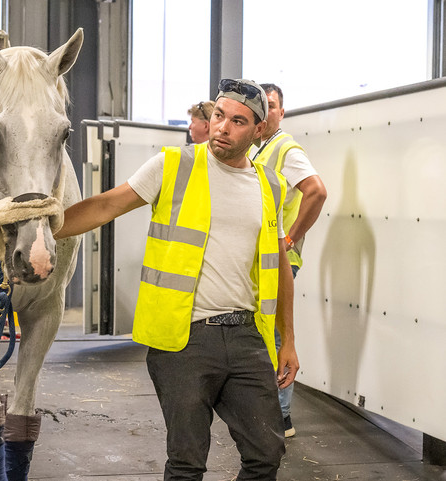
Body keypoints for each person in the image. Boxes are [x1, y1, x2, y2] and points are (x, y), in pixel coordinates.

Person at [56, 79, 298, 480]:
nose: (223, 127)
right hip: (184, 340)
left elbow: (280, 266)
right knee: (187, 462)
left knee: (266, 453)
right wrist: (38, 226)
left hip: (246, 337)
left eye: (238, 121)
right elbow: (106, 205)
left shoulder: (270, 184)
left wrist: (287, 339)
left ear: (258, 130)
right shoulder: (174, 164)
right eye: (219, 115)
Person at [249, 83, 327, 438]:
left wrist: (291, 238)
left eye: (273, 105)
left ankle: (281, 419)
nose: (268, 111)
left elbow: (316, 191)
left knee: (279, 335)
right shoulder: (259, 149)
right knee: (267, 333)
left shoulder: (285, 148)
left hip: (280, 259)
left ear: (282, 112)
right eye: (262, 105)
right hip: (262, 259)